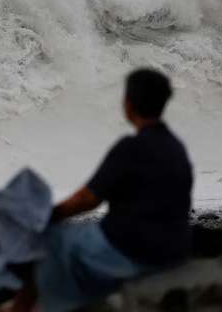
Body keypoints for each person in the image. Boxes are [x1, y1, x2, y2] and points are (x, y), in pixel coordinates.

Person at [15, 68, 194, 312]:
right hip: (173, 250)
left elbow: (87, 200)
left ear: (129, 105)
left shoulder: (130, 148)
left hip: (132, 251)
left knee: (52, 240)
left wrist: (49, 216)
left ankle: (26, 309)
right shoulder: (176, 148)